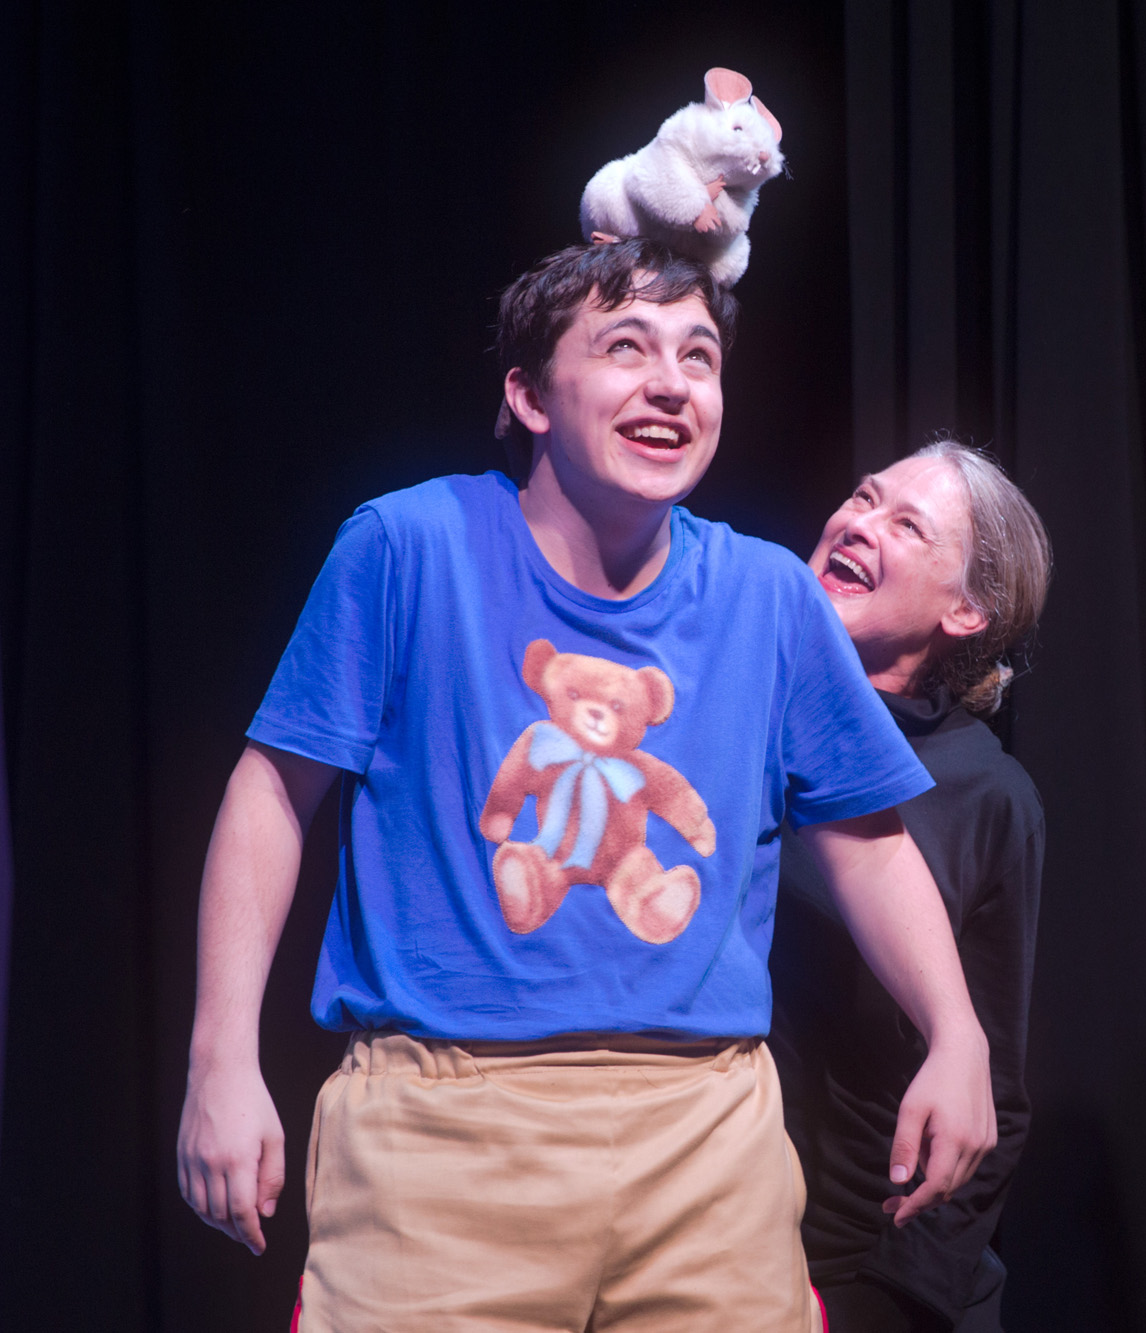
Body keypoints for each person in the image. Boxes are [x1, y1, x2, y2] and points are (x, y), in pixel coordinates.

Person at [173, 239, 996, 1333]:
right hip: (443, 1134)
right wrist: (220, 1058)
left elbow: (870, 843)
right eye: (626, 348)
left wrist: (956, 1032)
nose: (671, 383)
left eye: (698, 357)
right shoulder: (408, 546)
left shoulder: (767, 595)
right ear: (528, 396)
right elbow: (272, 795)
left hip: (706, 1142)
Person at [770, 441, 1051, 1333]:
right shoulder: (740, 704)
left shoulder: (985, 795)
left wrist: (874, 1301)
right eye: (862, 497)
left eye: (906, 524)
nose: (860, 524)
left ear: (966, 610)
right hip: (705, 1230)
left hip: (857, 1270)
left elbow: (992, 1092)